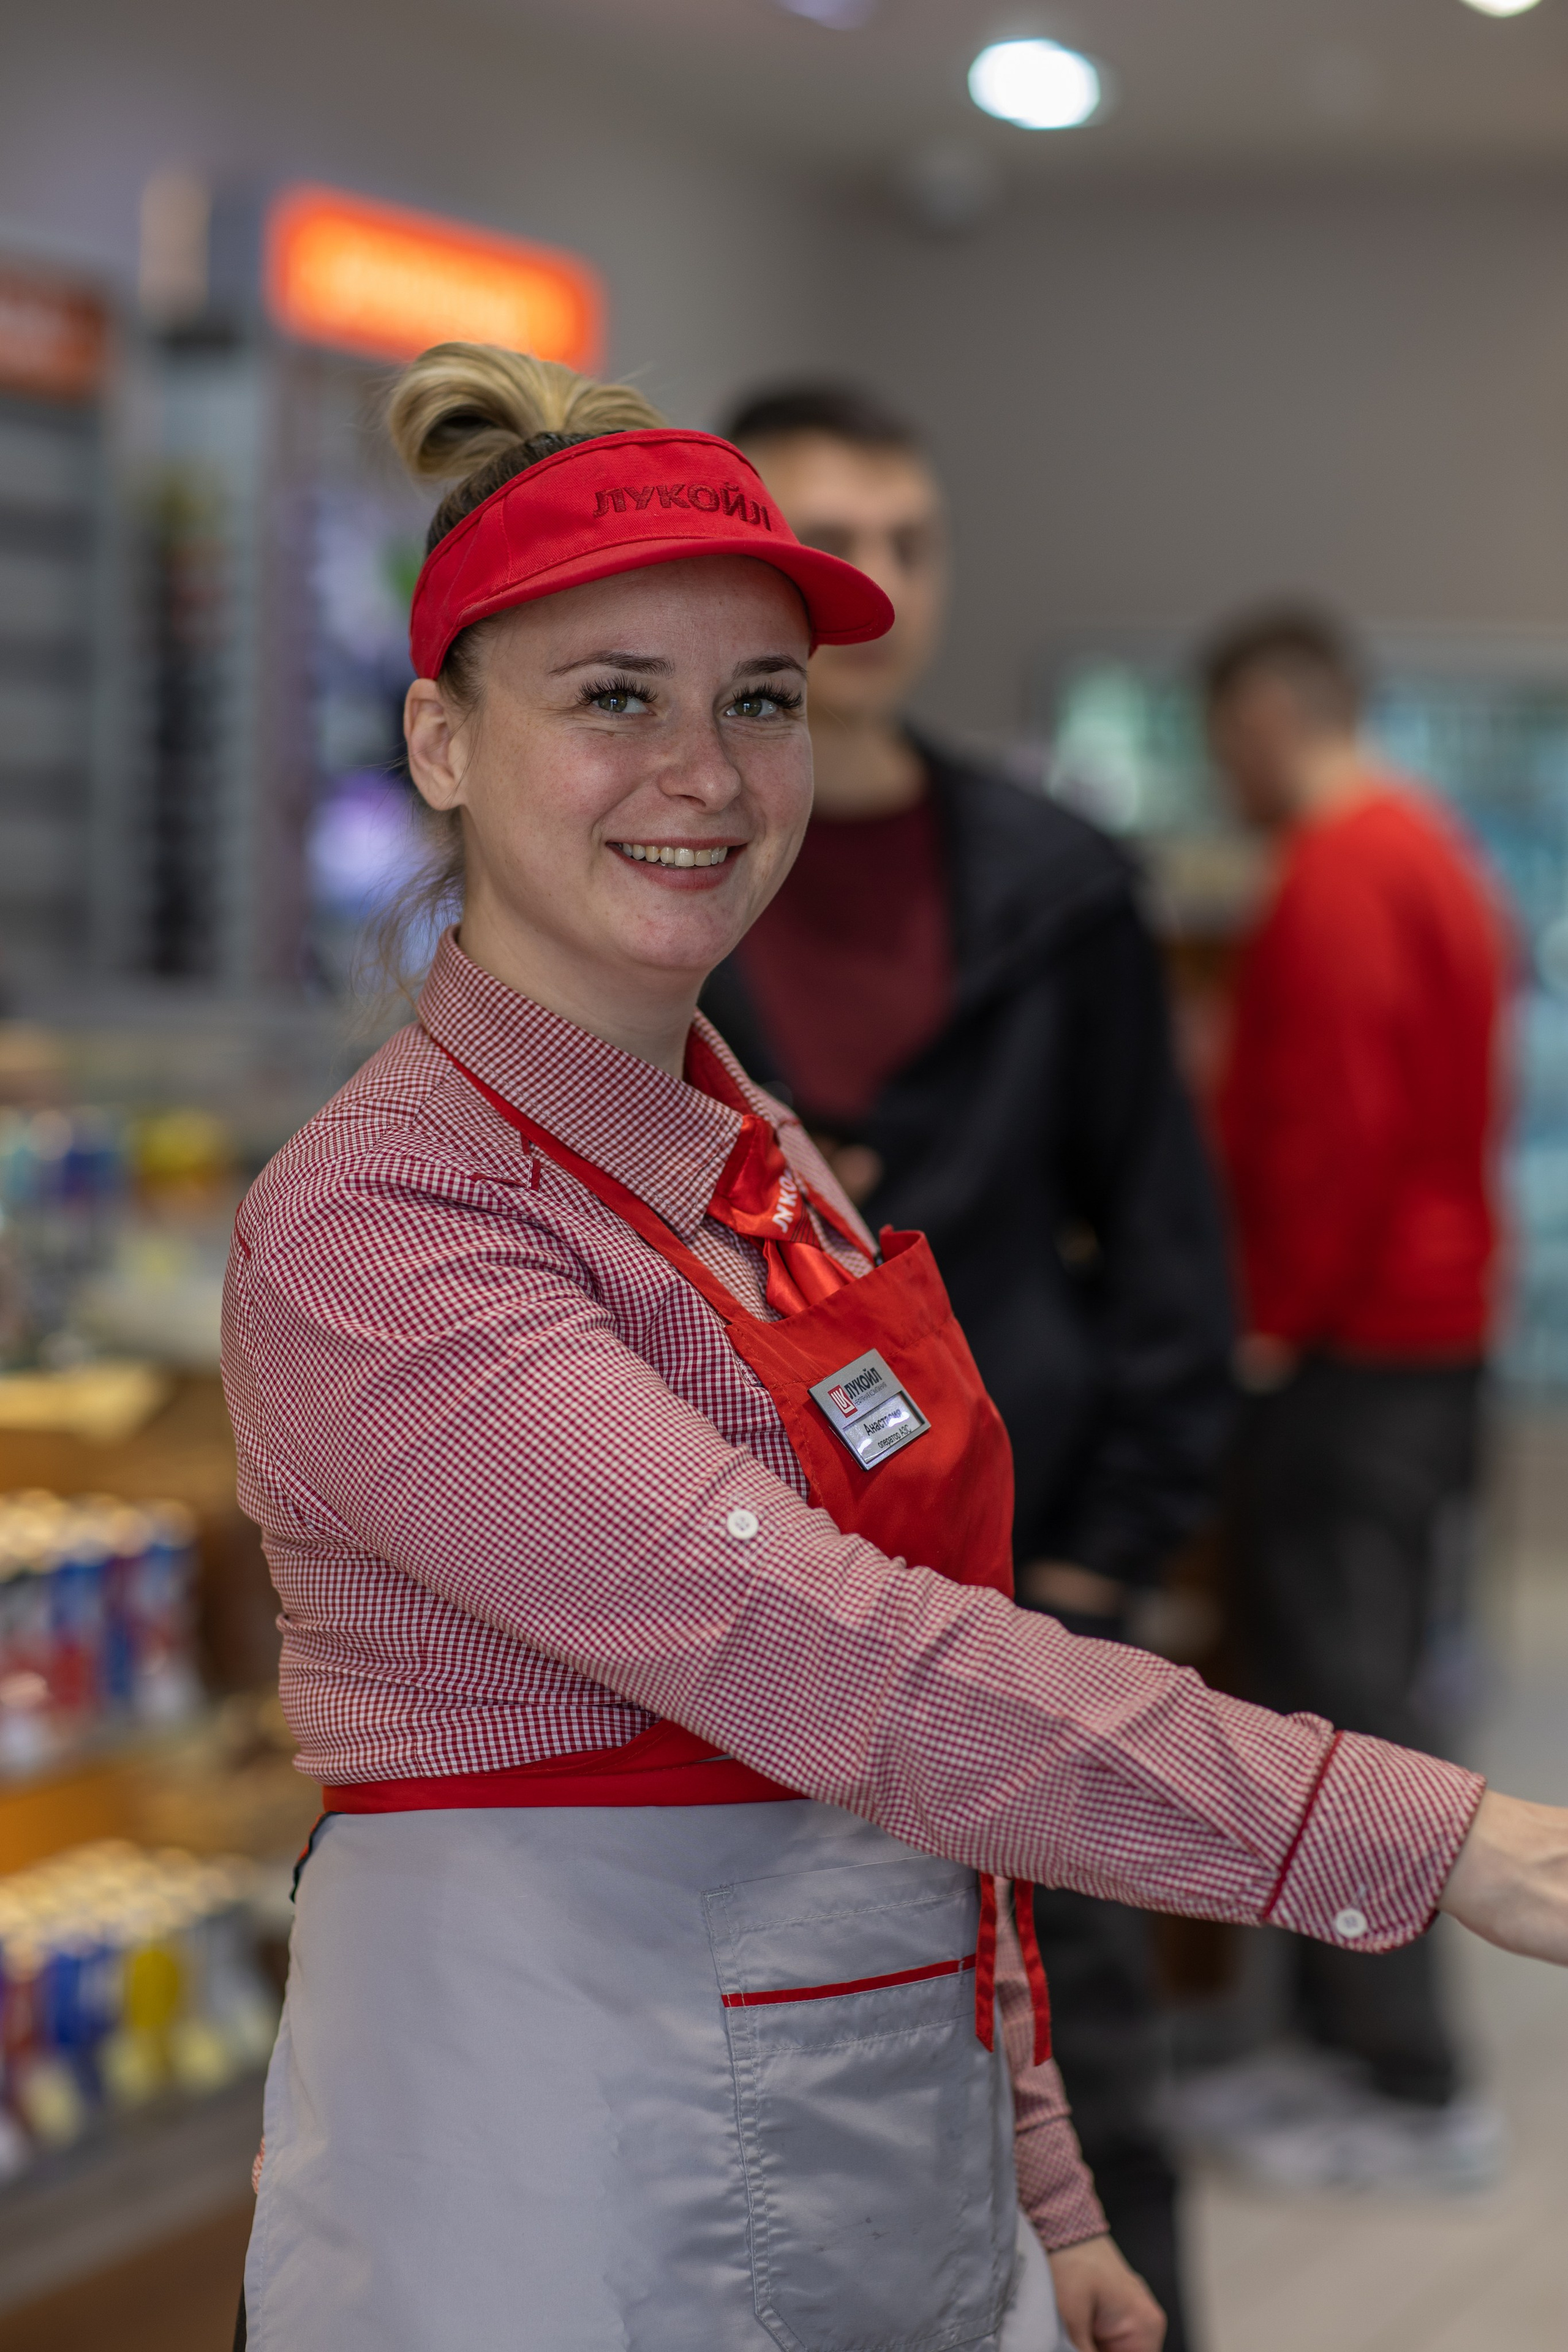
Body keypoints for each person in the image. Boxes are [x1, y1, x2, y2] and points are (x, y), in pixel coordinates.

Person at [225, 345, 1568, 2352]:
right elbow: (848, 1661)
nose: (708, 774)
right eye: (614, 701)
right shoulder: (387, 1229)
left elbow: (922, 1715)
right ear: (438, 738)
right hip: (553, 2207)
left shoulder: (751, 1151)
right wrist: (1423, 1828)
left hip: (877, 2168)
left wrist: (1037, 2195)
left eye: (758, 702)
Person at [701, 382, 1231, 2346]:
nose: (884, 586)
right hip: (726, 1607)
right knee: (771, 2096)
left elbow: (1170, 1257)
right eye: (838, 540)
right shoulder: (649, 869)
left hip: (1014, 1596)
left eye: (915, 544)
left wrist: (1098, 1572)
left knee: (1076, 2063)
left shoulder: (1059, 885)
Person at [1198, 605, 1510, 2190]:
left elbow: (1336, 1132)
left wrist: (1264, 1324)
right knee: (1359, 1685)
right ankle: (1342, 2048)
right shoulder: (1432, 848)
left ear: (1265, 719)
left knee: (1343, 1709)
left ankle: (1399, 2078)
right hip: (1423, 1340)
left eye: (1220, 746)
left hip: (1351, 1350)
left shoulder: (1341, 876)